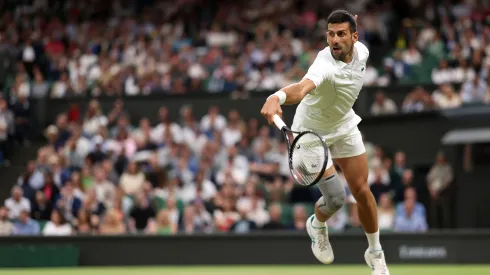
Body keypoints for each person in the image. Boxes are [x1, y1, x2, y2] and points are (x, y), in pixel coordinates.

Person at [260, 10, 389, 275]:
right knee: (336, 199)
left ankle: (375, 253)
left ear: (354, 36)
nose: (334, 40)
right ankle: (317, 224)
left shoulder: (362, 52)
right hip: (310, 133)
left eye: (341, 34)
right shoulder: (323, 64)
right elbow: (301, 88)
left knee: (363, 191)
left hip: (343, 125)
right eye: (330, 34)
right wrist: (277, 96)